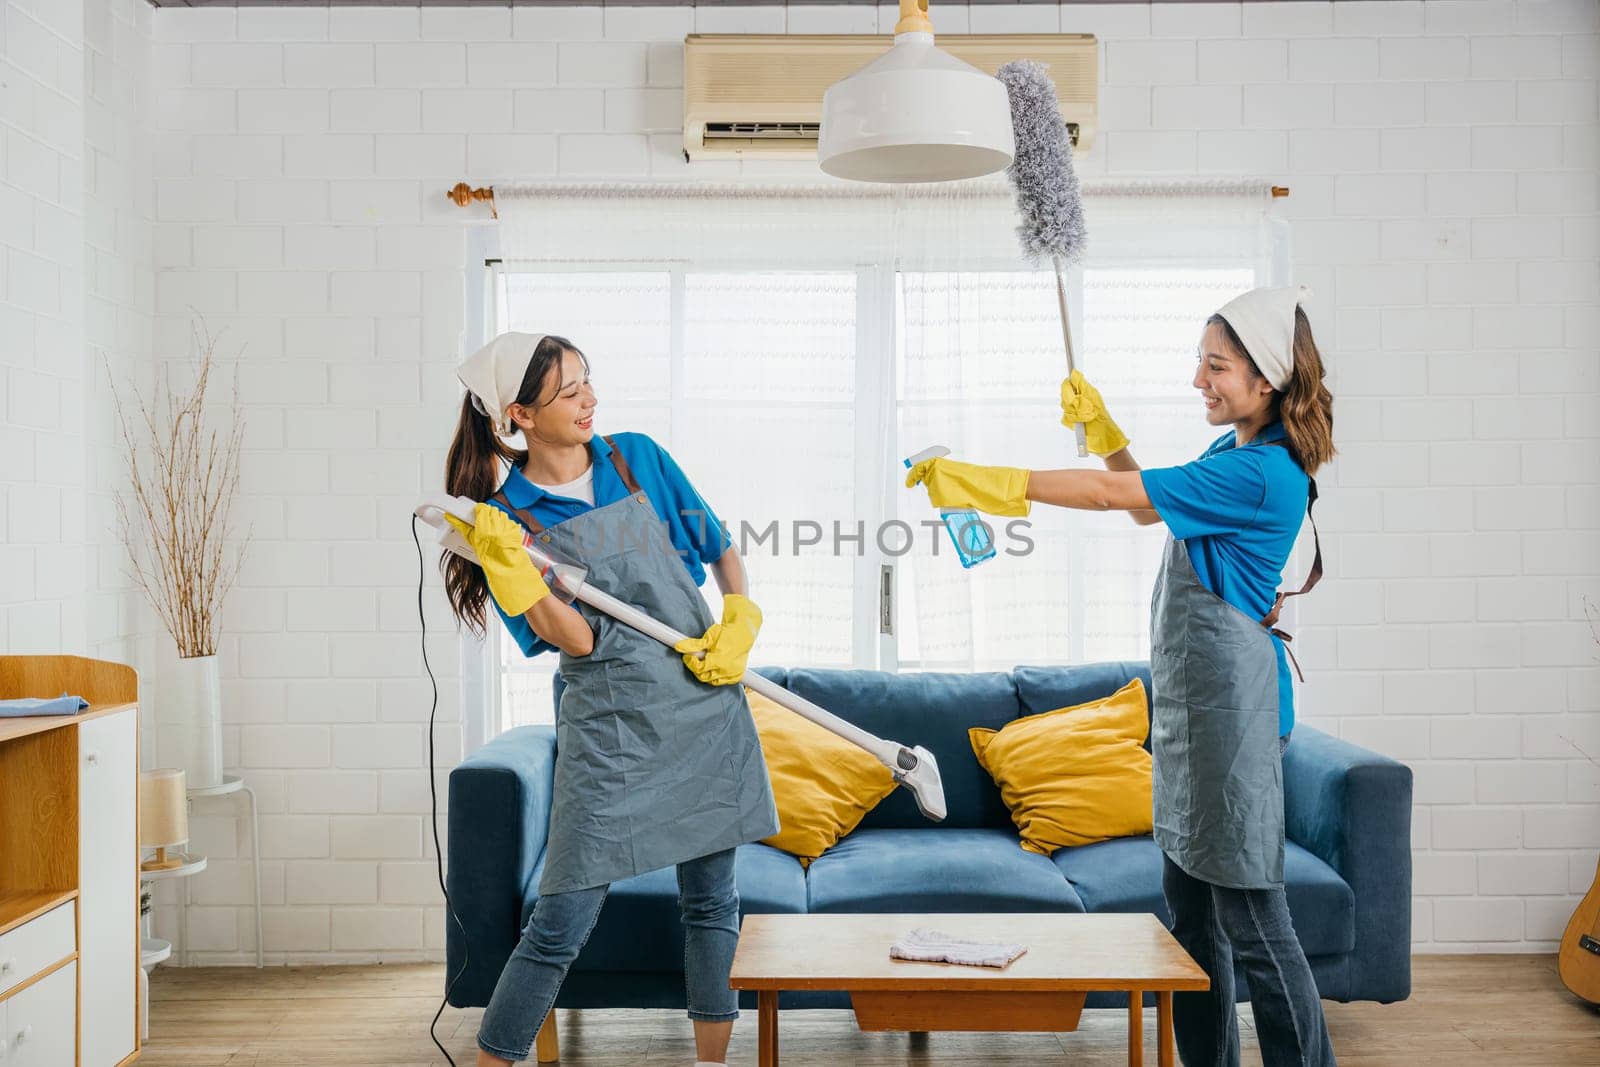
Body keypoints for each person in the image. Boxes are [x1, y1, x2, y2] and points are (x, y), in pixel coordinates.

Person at [906, 286, 1337, 1067]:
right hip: (1192, 720)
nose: (1199, 380)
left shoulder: (1265, 474)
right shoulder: (1228, 454)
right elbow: (1146, 504)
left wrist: (986, 482)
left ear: (1267, 378)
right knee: (1192, 921)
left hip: (1234, 724)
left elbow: (1113, 499)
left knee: (1254, 922)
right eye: (1199, 363)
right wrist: (1105, 433)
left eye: (1217, 366)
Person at [441, 331, 778, 1067]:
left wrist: (739, 616)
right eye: (568, 391)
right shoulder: (506, 522)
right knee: (560, 919)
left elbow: (719, 547)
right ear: (518, 414)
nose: (589, 398)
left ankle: (712, 1064)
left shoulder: (638, 458)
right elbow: (580, 640)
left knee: (713, 903)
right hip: (612, 729)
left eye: (588, 381)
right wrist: (517, 579)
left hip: (702, 707)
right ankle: (493, 1058)